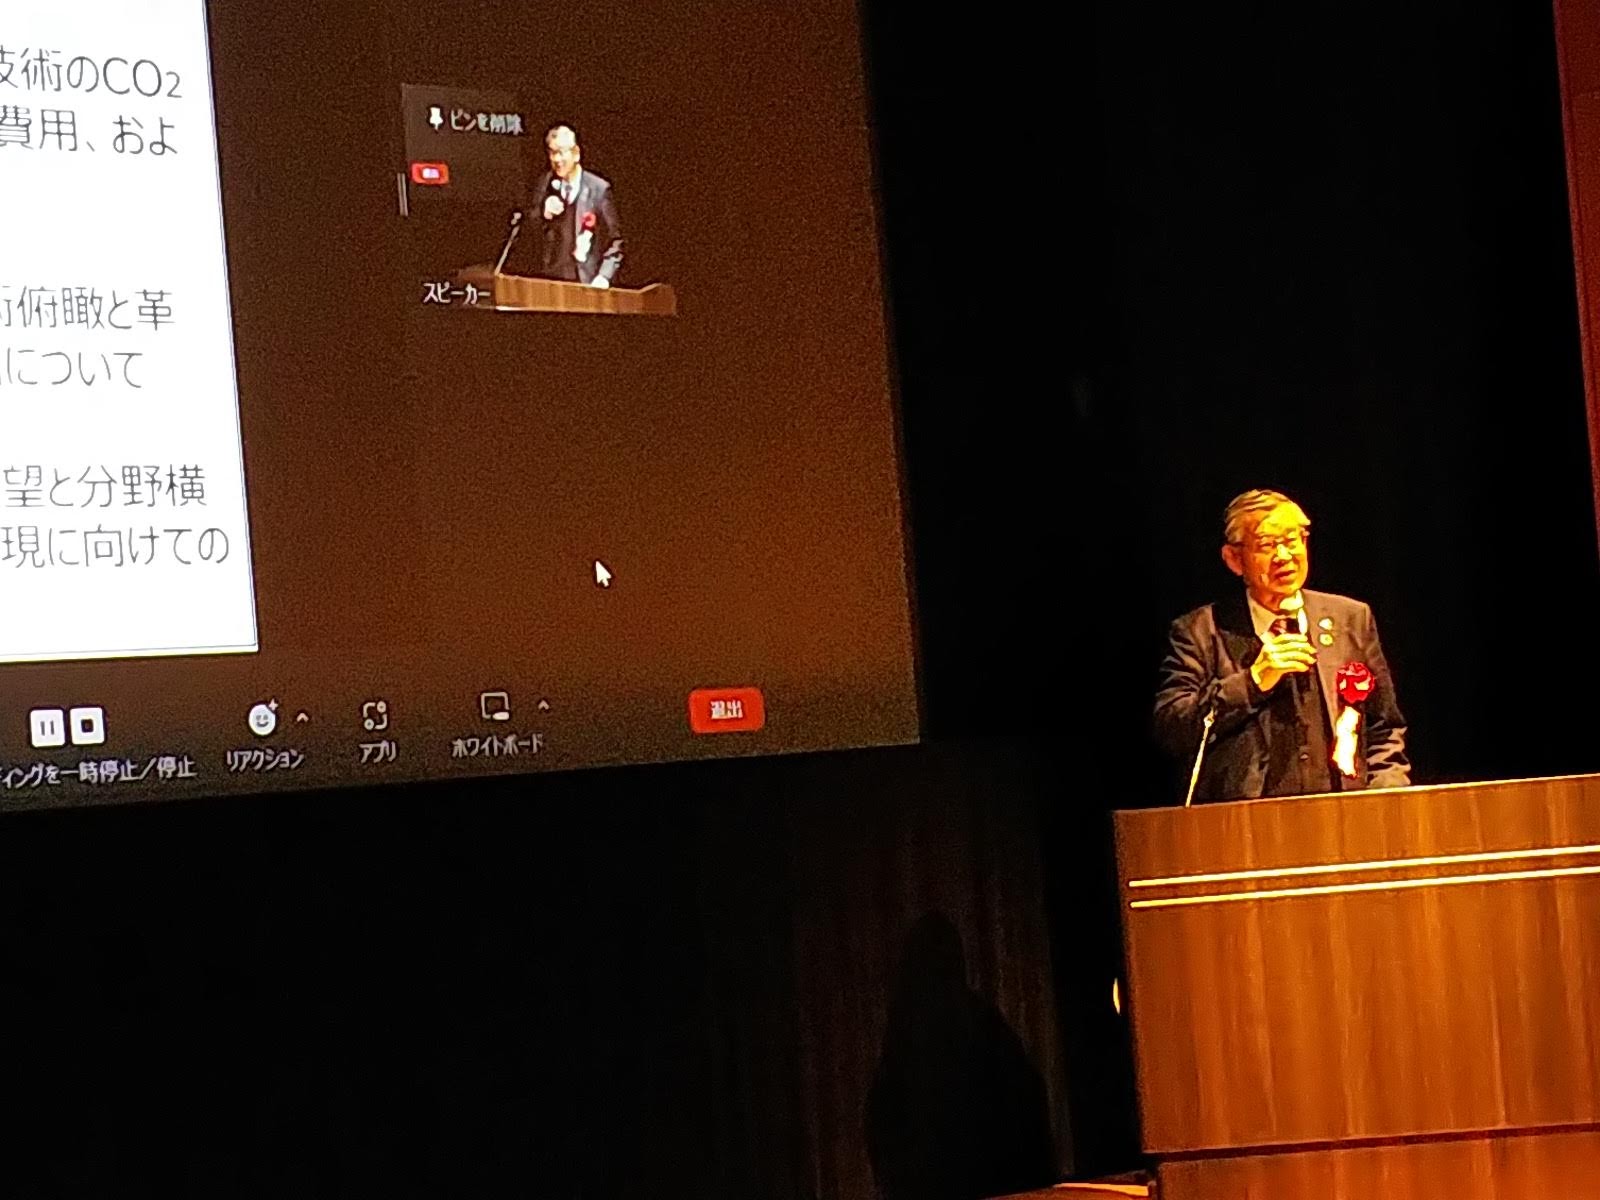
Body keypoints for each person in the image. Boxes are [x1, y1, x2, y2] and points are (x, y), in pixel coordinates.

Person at [1153, 488, 1409, 802]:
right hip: (1245, 821)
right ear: (1234, 559)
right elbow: (1172, 729)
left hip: (1344, 816)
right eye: (1267, 545)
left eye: (1292, 540)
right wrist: (1252, 682)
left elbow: (1384, 727)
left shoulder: (1350, 618)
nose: (1284, 556)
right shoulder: (1200, 631)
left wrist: (1386, 799)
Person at [526, 123, 623, 287]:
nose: (556, 159)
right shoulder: (545, 184)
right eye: (552, 153)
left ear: (576, 153)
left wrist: (604, 276)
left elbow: (615, 243)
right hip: (552, 282)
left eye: (561, 152)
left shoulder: (598, 189)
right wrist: (543, 213)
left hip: (588, 282)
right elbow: (529, 232)